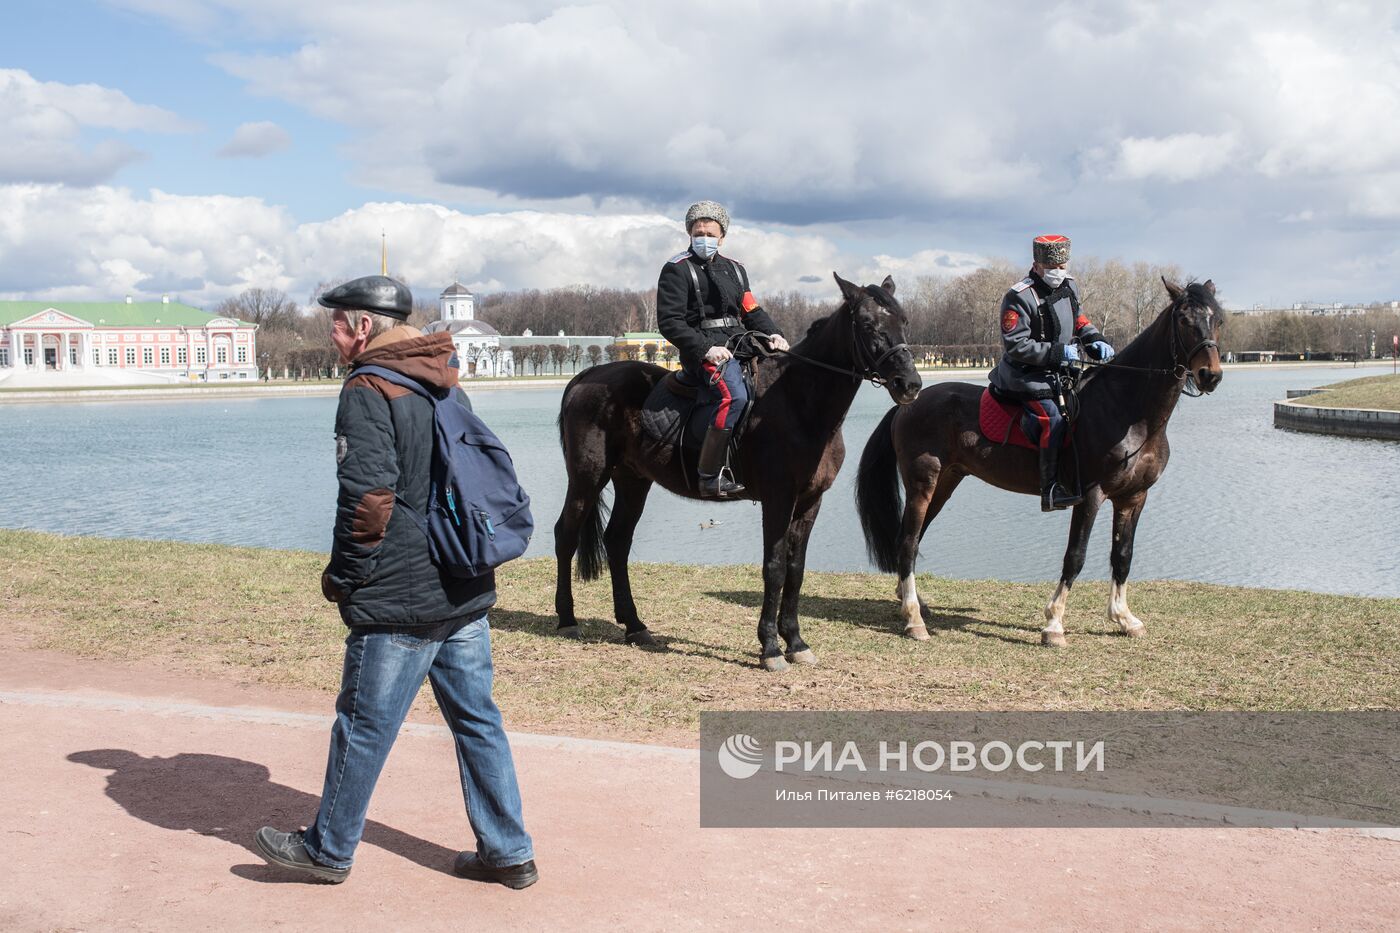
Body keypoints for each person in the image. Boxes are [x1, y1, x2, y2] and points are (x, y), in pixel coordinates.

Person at [253, 274, 537, 889]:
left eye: (336, 322)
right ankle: (509, 851)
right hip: (463, 582)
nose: (329, 334)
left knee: (363, 723)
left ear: (363, 326)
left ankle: (328, 850)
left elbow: (368, 496)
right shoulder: (439, 372)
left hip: (401, 594)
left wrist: (347, 577)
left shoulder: (368, 386)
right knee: (478, 723)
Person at [655, 200, 790, 498]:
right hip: (701, 351)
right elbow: (670, 322)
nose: (703, 237)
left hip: (740, 344)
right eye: (697, 232)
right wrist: (706, 349)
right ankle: (709, 475)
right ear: (690, 233)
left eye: (709, 232)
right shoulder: (676, 269)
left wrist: (775, 335)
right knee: (734, 395)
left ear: (722, 236)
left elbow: (752, 310)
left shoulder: (736, 270)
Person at [989, 235, 1116, 512]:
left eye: (1062, 265)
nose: (1058, 271)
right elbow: (1016, 344)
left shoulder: (1070, 285)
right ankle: (1051, 490)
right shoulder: (1018, 296)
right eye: (1052, 266)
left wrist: (1096, 340)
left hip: (1060, 371)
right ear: (1036, 265)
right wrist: (1060, 352)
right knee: (1053, 418)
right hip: (1025, 374)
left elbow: (1079, 319)